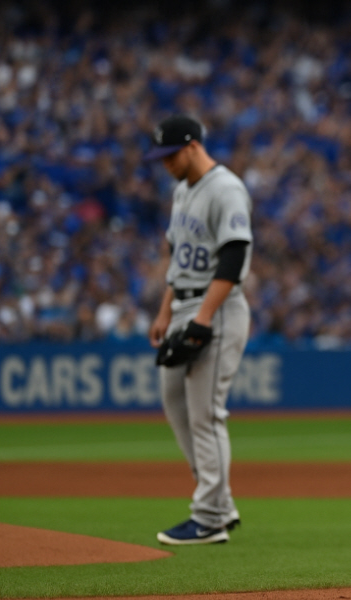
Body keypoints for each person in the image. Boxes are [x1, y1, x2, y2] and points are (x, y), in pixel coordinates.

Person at [145, 115, 254, 545]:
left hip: (217, 306)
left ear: (193, 146)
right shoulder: (181, 191)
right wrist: (165, 311)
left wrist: (204, 317)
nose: (166, 163)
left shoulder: (226, 188)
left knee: (206, 413)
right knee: (176, 404)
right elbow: (179, 259)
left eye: (172, 155)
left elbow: (234, 256)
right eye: (162, 156)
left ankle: (209, 517)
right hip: (183, 304)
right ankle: (219, 501)